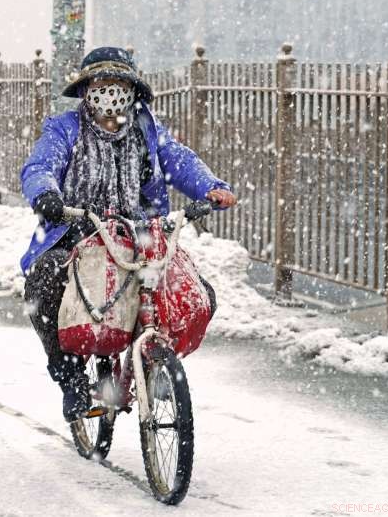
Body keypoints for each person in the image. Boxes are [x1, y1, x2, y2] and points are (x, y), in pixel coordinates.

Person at [20, 47, 237, 422]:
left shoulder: (146, 130)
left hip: (141, 233)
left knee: (196, 293)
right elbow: (41, 166)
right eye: (102, 84)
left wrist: (210, 187)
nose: (111, 92)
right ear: (87, 90)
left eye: (119, 83)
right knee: (45, 285)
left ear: (132, 89)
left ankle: (156, 362)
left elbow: (179, 161)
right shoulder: (64, 129)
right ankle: (72, 380)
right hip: (80, 231)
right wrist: (46, 195)